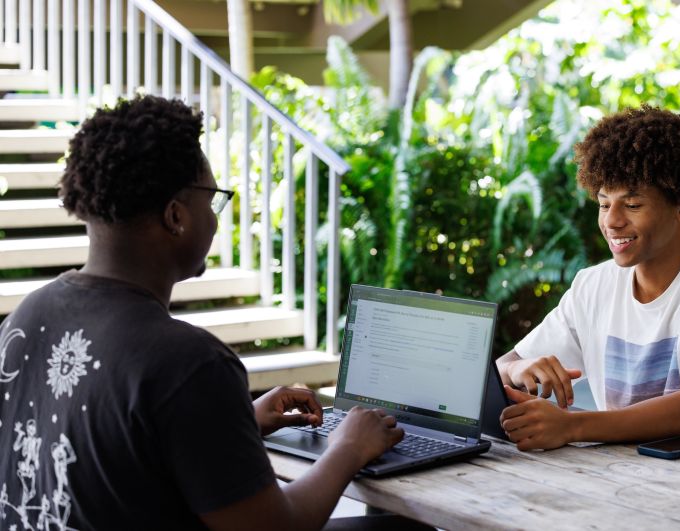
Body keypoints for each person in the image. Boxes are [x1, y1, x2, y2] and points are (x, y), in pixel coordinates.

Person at [0, 95, 428, 529]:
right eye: (214, 198)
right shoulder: (187, 361)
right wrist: (347, 449)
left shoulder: (27, 316)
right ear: (175, 216)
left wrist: (235, 424)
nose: (216, 215)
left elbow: (113, 450)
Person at [497, 105, 680, 459]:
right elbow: (500, 370)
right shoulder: (593, 286)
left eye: (633, 205)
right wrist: (518, 368)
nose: (612, 222)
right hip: (641, 484)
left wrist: (572, 426)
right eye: (604, 204)